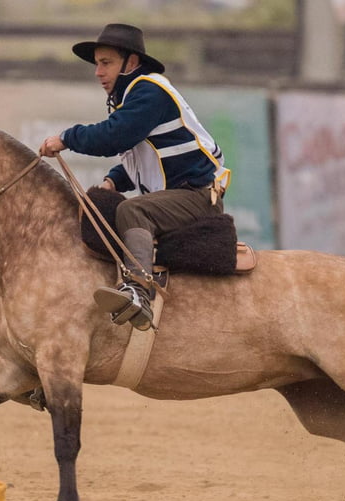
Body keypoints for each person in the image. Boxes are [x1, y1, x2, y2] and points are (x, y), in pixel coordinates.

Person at [40, 23, 230, 332]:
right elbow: (142, 157)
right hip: (184, 193)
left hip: (196, 197)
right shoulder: (133, 96)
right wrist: (114, 180)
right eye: (97, 64)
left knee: (132, 210)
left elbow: (115, 137)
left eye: (106, 63)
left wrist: (66, 137)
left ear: (130, 63)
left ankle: (139, 291)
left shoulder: (148, 90)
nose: (98, 72)